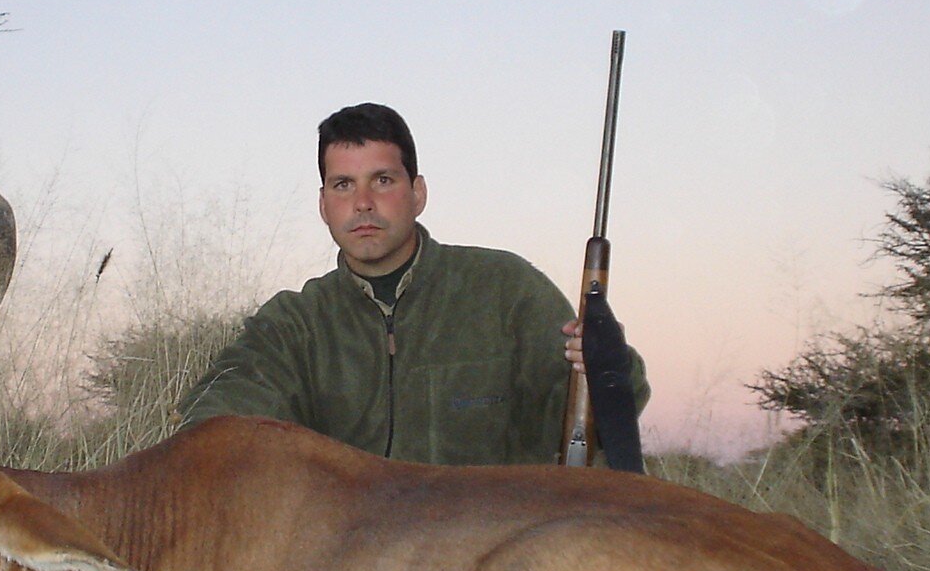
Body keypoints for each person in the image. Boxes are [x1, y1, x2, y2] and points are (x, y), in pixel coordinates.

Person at [177, 102, 647, 466]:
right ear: (323, 205)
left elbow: (592, 413)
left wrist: (607, 362)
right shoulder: (293, 323)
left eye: (382, 180)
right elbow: (218, 414)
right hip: (350, 563)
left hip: (488, 553)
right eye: (343, 185)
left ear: (417, 193)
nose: (362, 203)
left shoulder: (505, 290)